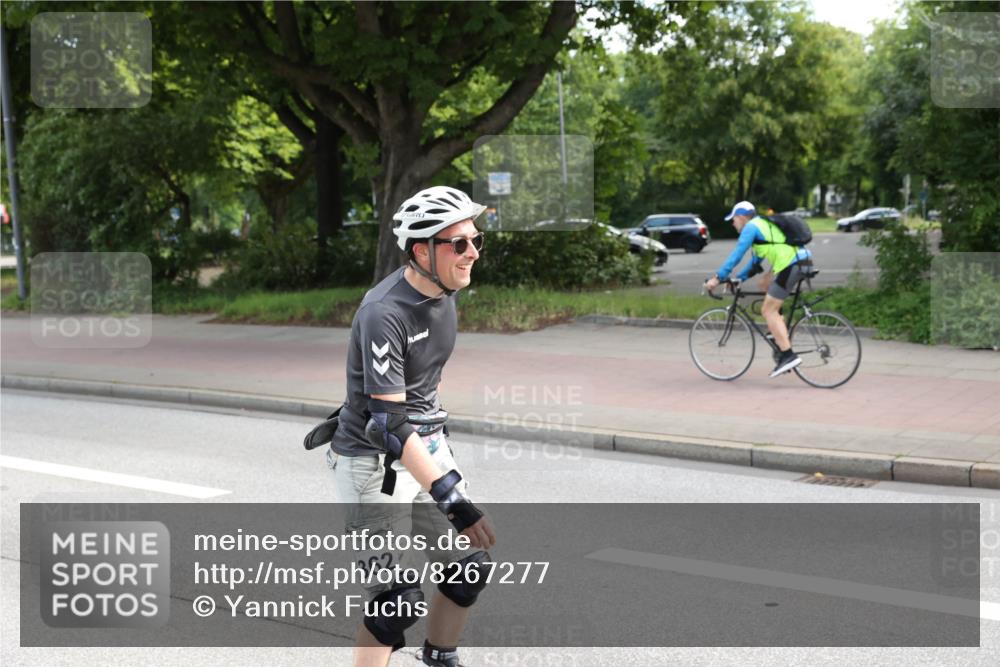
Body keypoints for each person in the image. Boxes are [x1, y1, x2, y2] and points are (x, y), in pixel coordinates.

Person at [329, 185, 496, 667]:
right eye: (458, 244)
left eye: (476, 241)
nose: (472, 254)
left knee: (467, 571)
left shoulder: (443, 291)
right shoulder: (385, 312)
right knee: (396, 604)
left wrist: (439, 455)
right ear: (422, 251)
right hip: (372, 465)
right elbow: (386, 424)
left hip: (423, 448)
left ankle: (440, 658)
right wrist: (451, 496)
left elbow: (420, 389)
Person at [705, 200, 813, 377]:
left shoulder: (752, 227)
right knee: (764, 284)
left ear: (741, 217)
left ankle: (787, 355)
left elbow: (737, 254)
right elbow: (754, 264)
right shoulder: (762, 228)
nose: (733, 224)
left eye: (733, 220)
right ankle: (776, 334)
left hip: (792, 265)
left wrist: (718, 278)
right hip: (801, 262)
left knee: (768, 310)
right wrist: (737, 279)